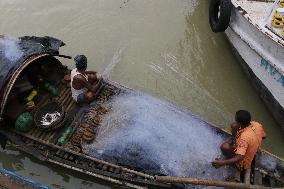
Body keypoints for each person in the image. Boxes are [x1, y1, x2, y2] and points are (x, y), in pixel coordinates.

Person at [212, 110, 266, 176]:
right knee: (233, 126)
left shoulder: (244, 138)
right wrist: (253, 144)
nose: (235, 121)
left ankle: (234, 164)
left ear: (240, 124)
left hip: (243, 162)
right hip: (247, 145)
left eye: (236, 120)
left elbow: (240, 157)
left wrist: (222, 163)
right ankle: (234, 142)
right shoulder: (256, 124)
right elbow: (264, 136)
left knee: (224, 147)